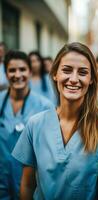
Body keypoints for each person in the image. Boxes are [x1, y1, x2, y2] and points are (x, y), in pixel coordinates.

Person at [12, 42, 98, 200]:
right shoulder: (35, 124)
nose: (74, 79)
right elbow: (27, 185)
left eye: (82, 72)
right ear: (55, 74)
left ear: (91, 80)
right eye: (67, 70)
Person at [0, 50, 53, 200]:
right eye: (12, 70)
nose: (17, 75)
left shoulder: (45, 106)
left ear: (30, 72)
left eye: (22, 69)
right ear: (5, 73)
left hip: (31, 179)